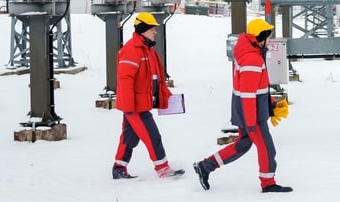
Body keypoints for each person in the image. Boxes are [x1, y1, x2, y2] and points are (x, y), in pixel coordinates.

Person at [192, 18, 292, 193]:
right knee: (267, 148)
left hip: (250, 111)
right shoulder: (252, 59)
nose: (270, 40)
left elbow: (256, 88)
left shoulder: (251, 54)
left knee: (242, 145)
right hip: (251, 114)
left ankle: (206, 166)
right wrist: (251, 120)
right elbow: (247, 94)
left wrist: (269, 104)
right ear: (260, 37)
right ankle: (268, 184)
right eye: (268, 36)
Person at [111, 12, 184, 180]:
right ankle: (163, 168)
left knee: (129, 137)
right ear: (143, 29)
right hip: (135, 106)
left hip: (141, 103)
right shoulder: (131, 50)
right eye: (152, 29)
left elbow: (155, 78)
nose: (155, 32)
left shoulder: (148, 50)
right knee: (152, 136)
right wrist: (129, 108)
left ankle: (119, 168)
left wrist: (165, 97)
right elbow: (125, 80)